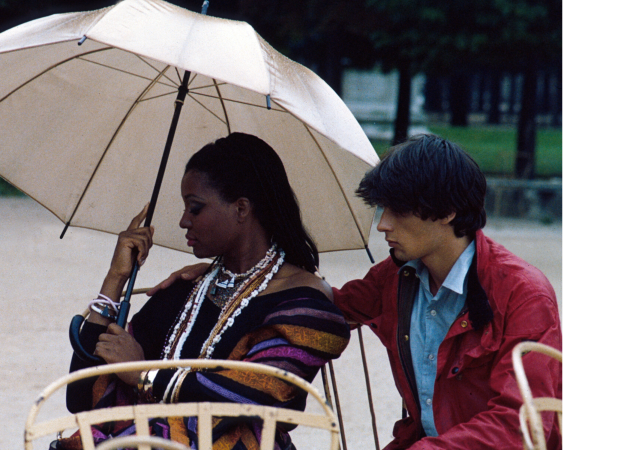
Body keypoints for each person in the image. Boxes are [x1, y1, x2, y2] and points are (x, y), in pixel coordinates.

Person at [152, 134, 563, 449]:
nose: (382, 225)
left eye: (396, 210)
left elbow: (525, 424)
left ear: (447, 212)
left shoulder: (522, 294)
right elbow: (319, 303)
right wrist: (226, 275)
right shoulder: (397, 277)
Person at [61, 132, 351, 450]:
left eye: (195, 208)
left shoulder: (304, 306)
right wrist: (115, 281)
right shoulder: (181, 292)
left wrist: (145, 375)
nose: (184, 221)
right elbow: (80, 398)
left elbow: (262, 392)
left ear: (241, 209)